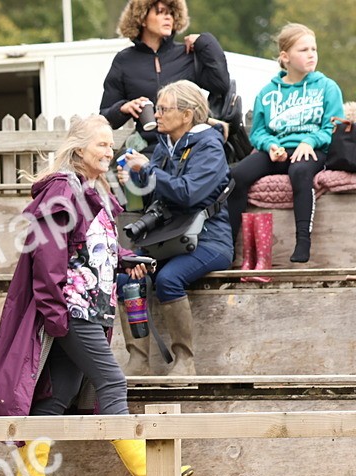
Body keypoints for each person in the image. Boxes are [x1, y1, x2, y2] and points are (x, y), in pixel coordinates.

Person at [0, 115, 190, 476]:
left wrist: (126, 262)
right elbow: (47, 261)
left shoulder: (93, 189)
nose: (109, 151)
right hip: (72, 311)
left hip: (88, 309)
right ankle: (151, 474)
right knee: (112, 382)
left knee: (58, 393)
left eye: (111, 145)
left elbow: (91, 251)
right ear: (79, 148)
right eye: (101, 145)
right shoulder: (63, 191)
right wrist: (56, 316)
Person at [116, 80, 233, 376]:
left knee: (169, 279)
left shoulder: (209, 145)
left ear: (187, 115)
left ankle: (185, 361)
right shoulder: (167, 145)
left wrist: (149, 170)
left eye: (164, 109)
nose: (157, 114)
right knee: (127, 277)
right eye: (158, 108)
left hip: (208, 240)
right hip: (168, 238)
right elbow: (154, 195)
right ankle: (138, 361)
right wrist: (133, 178)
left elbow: (188, 193)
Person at [225, 23, 344, 265]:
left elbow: (333, 127)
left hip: (312, 149)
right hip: (276, 151)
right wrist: (269, 145)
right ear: (285, 57)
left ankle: (303, 242)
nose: (311, 54)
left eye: (314, 48)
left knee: (299, 171)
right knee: (236, 176)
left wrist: (309, 140)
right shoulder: (268, 93)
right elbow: (258, 132)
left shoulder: (327, 87)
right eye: (303, 50)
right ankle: (227, 246)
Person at [100, 0, 230, 155]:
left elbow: (221, 84)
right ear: (141, 18)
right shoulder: (124, 61)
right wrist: (124, 108)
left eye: (171, 13)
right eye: (160, 12)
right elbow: (105, 116)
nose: (168, 17)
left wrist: (205, 42)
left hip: (191, 147)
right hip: (150, 149)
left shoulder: (187, 54)